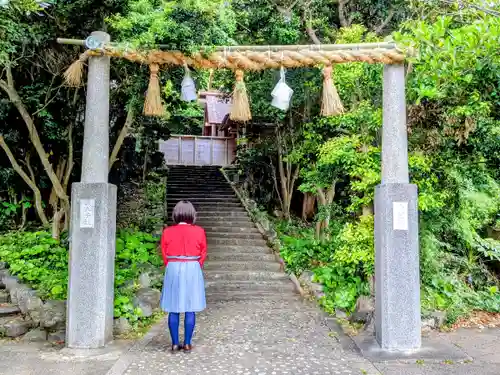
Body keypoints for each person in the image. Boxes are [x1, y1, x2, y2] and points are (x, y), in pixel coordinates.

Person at [160, 200, 207, 353]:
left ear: (176, 214)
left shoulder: (167, 231)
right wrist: (195, 264)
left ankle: (174, 343)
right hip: (192, 266)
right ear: (192, 214)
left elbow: (164, 253)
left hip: (173, 265)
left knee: (173, 307)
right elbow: (203, 252)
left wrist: (171, 264)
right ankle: (187, 343)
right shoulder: (199, 231)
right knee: (190, 306)